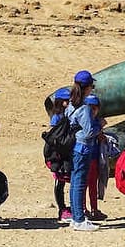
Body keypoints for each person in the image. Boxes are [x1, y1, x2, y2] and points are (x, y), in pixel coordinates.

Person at [67, 70, 101, 232]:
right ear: (87, 88)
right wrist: (99, 125)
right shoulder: (84, 108)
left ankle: (76, 217)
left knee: (75, 183)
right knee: (80, 183)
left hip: (73, 147)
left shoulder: (71, 105)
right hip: (83, 148)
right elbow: (89, 132)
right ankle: (80, 219)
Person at [82, 94, 108, 221]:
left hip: (94, 157)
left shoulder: (96, 121)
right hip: (86, 156)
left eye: (95, 107)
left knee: (93, 184)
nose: (93, 110)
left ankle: (94, 209)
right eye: (90, 107)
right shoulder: (86, 121)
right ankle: (83, 209)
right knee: (84, 185)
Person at [49, 87, 72, 223]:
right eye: (66, 101)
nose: (68, 103)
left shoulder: (69, 114)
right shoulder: (57, 118)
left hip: (68, 152)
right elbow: (54, 136)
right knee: (60, 182)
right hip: (58, 155)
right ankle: (62, 208)